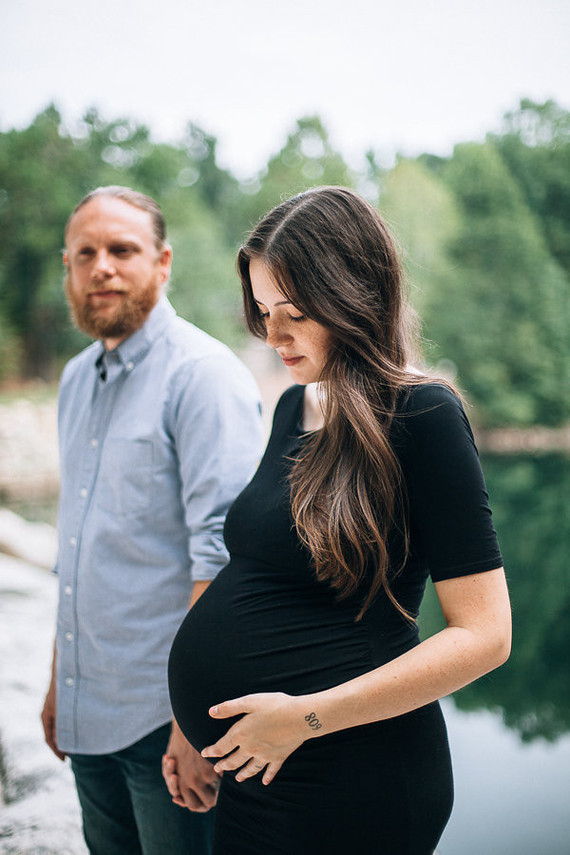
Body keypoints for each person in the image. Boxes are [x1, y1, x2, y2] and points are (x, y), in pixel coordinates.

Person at [167, 186, 512, 854]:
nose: (272, 335)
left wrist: (303, 717)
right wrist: (191, 725)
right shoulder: (296, 409)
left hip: (353, 777)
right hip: (257, 772)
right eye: (263, 311)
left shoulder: (424, 415)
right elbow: (259, 576)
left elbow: (485, 634)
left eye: (292, 313)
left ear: (353, 297)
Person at [40, 185, 264, 855]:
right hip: (89, 713)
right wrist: (60, 679)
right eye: (85, 254)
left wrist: (192, 721)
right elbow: (79, 546)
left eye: (122, 249)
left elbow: (224, 558)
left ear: (162, 263)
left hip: (165, 724)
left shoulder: (202, 376)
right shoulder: (78, 379)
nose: (101, 267)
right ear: (68, 270)